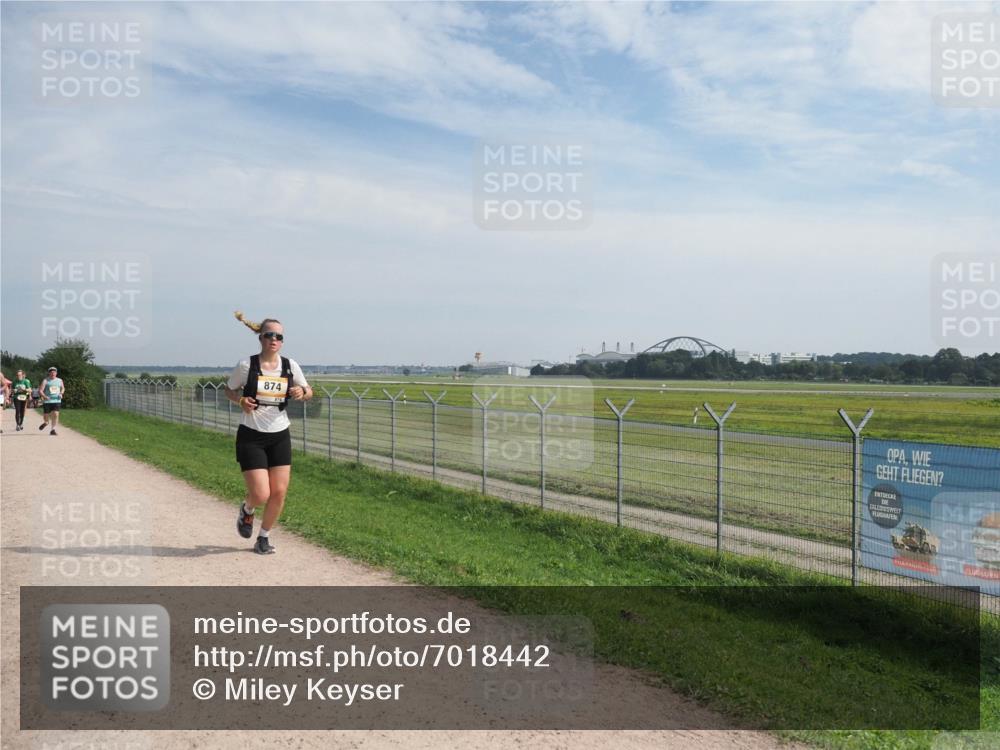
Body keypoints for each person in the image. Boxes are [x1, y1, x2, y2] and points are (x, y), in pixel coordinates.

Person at [224, 312, 312, 554]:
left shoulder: (289, 365)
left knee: (280, 491)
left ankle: (263, 537)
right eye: (269, 335)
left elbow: (308, 390)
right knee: (261, 493)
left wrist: (301, 393)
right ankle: (248, 510)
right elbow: (229, 390)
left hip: (279, 434)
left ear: (282, 341)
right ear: (260, 337)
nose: (274, 339)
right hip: (251, 434)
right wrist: (240, 400)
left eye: (279, 336)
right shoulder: (246, 365)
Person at [39, 366, 64, 435]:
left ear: (56, 373)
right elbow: (40, 390)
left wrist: (61, 393)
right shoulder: (45, 380)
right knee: (46, 415)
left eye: (54, 372)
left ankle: (53, 429)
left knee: (56, 414)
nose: (53, 373)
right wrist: (45, 396)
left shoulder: (60, 380)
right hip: (47, 401)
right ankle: (46, 422)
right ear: (49, 373)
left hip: (57, 400)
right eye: (51, 372)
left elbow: (63, 388)